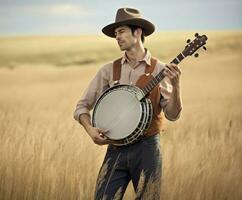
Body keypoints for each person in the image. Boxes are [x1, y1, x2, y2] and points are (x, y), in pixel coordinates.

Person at [73, 7, 182, 200]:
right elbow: (81, 107)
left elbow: (173, 115)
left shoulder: (160, 69)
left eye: (121, 31)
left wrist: (176, 85)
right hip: (115, 149)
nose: (117, 37)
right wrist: (90, 130)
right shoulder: (108, 70)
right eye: (115, 34)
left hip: (147, 148)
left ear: (137, 32)